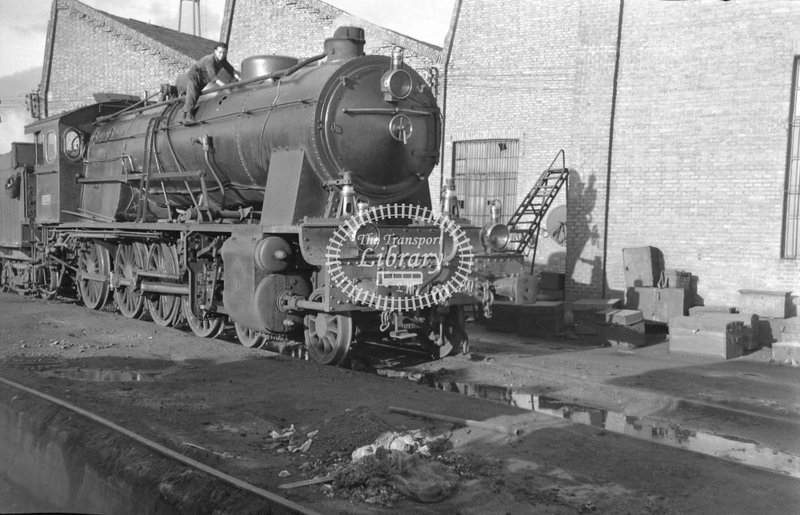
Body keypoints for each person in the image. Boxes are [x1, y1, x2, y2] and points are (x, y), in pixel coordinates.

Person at [179, 42, 240, 123]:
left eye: (224, 53)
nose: (221, 55)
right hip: (195, 76)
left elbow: (230, 69)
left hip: (204, 79)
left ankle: (182, 115)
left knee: (196, 95)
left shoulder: (222, 60)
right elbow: (213, 77)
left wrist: (238, 77)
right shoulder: (209, 60)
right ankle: (188, 116)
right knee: (193, 94)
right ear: (215, 51)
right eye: (220, 52)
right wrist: (224, 86)